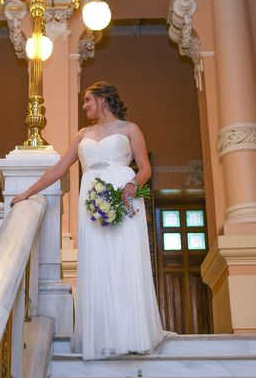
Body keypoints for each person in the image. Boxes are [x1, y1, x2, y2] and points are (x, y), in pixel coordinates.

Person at [12, 81, 168, 360]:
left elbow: (145, 168)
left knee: (123, 263)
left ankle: (132, 333)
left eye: (88, 100)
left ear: (103, 99)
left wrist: (132, 185)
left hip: (123, 198)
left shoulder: (130, 129)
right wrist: (25, 192)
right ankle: (105, 335)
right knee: (98, 264)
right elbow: (59, 168)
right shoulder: (81, 135)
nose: (84, 106)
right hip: (93, 202)